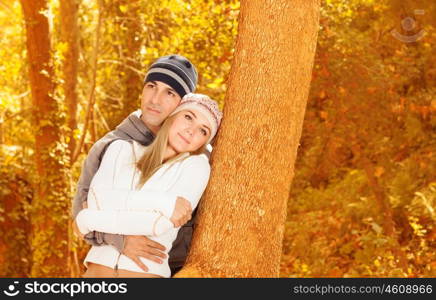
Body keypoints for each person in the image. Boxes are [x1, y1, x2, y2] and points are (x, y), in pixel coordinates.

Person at [71, 55, 201, 275]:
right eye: (151, 86)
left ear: (183, 104)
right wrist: (121, 240)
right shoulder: (109, 146)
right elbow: (80, 221)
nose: (155, 99)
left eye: (170, 93)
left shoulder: (197, 159)